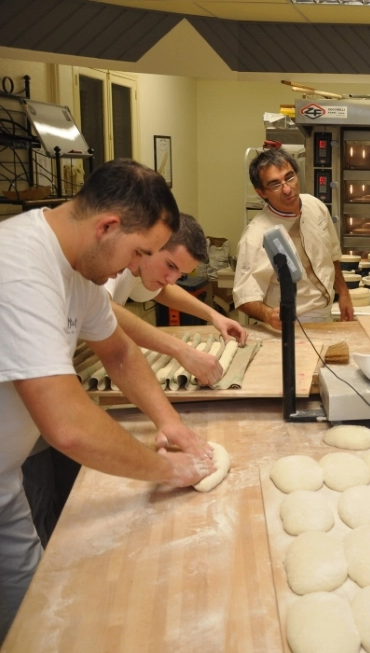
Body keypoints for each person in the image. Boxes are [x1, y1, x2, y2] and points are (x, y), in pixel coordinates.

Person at [0, 159, 214, 641]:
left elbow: (118, 351)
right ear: (108, 227)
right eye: (139, 253)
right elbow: (68, 425)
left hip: (3, 479)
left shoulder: (80, 270)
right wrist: (168, 470)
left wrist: (172, 424)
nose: (137, 270)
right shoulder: (20, 268)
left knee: (32, 617)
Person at [105, 213, 248, 385]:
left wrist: (213, 316)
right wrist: (181, 350)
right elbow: (103, 309)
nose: (172, 280)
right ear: (152, 241)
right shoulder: (110, 259)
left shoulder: (140, 267)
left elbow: (163, 291)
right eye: (171, 265)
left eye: (180, 273)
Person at [234, 148, 354, 328]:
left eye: (289, 177)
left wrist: (343, 293)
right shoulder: (256, 235)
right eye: (275, 184)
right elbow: (244, 297)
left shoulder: (316, 206)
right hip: (291, 323)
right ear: (261, 192)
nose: (287, 189)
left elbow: (332, 256)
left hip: (326, 315)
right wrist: (269, 315)